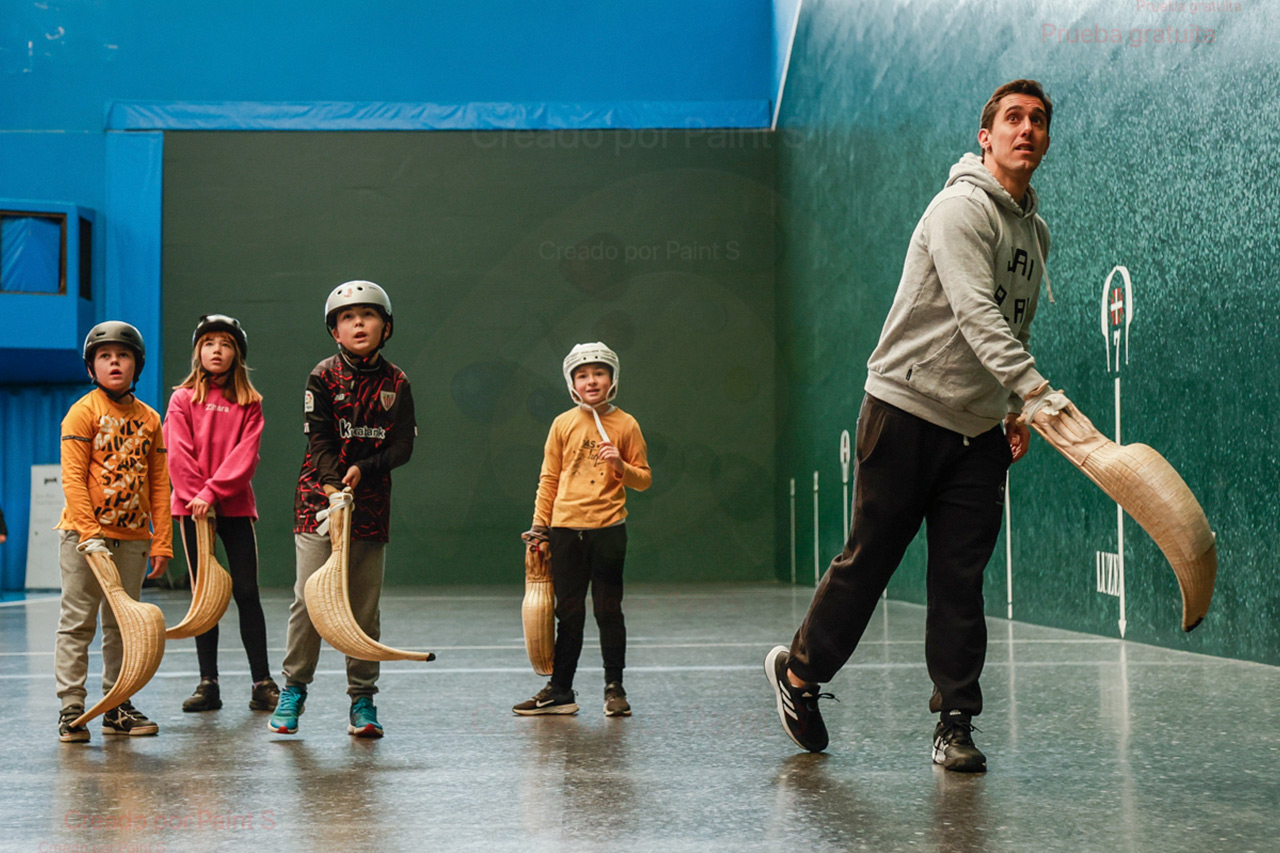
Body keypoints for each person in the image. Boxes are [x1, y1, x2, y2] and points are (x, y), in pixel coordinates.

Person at [766, 80, 1058, 772]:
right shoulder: (959, 208)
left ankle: (955, 722)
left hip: (978, 432)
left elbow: (1013, 321)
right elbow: (974, 313)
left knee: (961, 577)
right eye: (1013, 119)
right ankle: (800, 674)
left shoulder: (1035, 231)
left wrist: (1013, 406)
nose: (1027, 130)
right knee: (872, 559)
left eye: (1039, 121)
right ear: (985, 137)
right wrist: (1038, 392)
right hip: (905, 409)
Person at [269, 281, 415, 738]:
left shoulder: (397, 382)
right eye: (348, 318)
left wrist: (364, 470)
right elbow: (320, 440)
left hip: (370, 507)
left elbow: (403, 446)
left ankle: (363, 701)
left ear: (385, 327)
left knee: (363, 609)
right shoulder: (322, 375)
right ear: (335, 331)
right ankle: (293, 690)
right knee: (309, 601)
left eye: (368, 316)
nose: (358, 324)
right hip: (319, 503)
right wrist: (334, 486)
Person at [513, 342, 651, 717]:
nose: (591, 381)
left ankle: (614, 688)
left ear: (612, 380)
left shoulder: (627, 424)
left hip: (608, 531)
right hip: (564, 531)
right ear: (572, 383)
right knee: (568, 612)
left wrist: (621, 465)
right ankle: (561, 690)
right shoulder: (562, 423)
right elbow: (548, 478)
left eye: (599, 373)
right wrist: (540, 528)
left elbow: (644, 480)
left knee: (609, 611)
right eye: (583, 375)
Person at [55, 321, 172, 742]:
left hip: (133, 540)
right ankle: (71, 708)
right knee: (77, 623)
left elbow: (159, 483)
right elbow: (72, 478)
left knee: (123, 625)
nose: (114, 362)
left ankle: (116, 704)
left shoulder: (150, 419)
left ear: (136, 364)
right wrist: (90, 534)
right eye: (105, 356)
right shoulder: (83, 412)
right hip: (85, 540)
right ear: (92, 368)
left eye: (123, 355)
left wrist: (161, 540)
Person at [164, 314, 279, 714]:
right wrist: (199, 497)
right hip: (192, 511)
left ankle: (262, 683)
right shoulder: (181, 399)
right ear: (198, 351)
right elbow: (178, 454)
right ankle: (208, 683)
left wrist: (213, 492)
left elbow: (245, 457)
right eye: (209, 342)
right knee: (206, 596)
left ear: (237, 354)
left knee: (246, 592)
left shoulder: (250, 403)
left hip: (233, 506)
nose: (217, 350)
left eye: (226, 344)